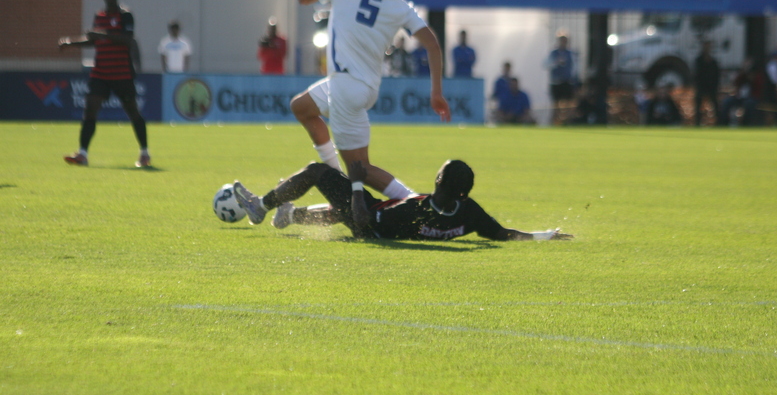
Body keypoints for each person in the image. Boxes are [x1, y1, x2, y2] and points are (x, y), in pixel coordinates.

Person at [291, 0, 450, 200]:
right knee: (302, 107)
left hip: (346, 85)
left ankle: (418, 203)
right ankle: (337, 184)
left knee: (362, 169)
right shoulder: (396, 1)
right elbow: (432, 44)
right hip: (363, 86)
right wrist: (436, 93)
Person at [231, 160, 572, 242]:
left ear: (438, 181)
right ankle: (290, 215)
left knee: (318, 171)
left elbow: (363, 221)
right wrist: (544, 235)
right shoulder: (467, 211)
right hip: (382, 219)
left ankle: (262, 206)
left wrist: (356, 188)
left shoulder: (414, 207)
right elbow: (502, 234)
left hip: (373, 225)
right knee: (341, 207)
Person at [58, 0, 150, 168]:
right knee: (90, 110)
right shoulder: (99, 15)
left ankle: (144, 153)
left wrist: (100, 34)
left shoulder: (125, 15)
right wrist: (71, 43)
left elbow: (128, 40)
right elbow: (94, 41)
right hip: (100, 72)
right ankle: (82, 154)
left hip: (121, 73)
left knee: (133, 112)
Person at [544, 32, 579, 124]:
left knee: (569, 104)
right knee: (556, 105)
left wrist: (575, 81)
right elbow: (545, 64)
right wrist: (556, 62)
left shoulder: (571, 53)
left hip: (567, 82)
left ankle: (568, 122)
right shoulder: (553, 53)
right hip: (556, 82)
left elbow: (575, 68)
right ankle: (554, 122)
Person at [693, 40, 720, 126]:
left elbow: (717, 75)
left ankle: (719, 123)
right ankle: (697, 123)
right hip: (701, 86)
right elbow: (696, 74)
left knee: (715, 106)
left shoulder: (713, 61)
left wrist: (716, 86)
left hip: (711, 87)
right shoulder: (698, 61)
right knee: (698, 106)